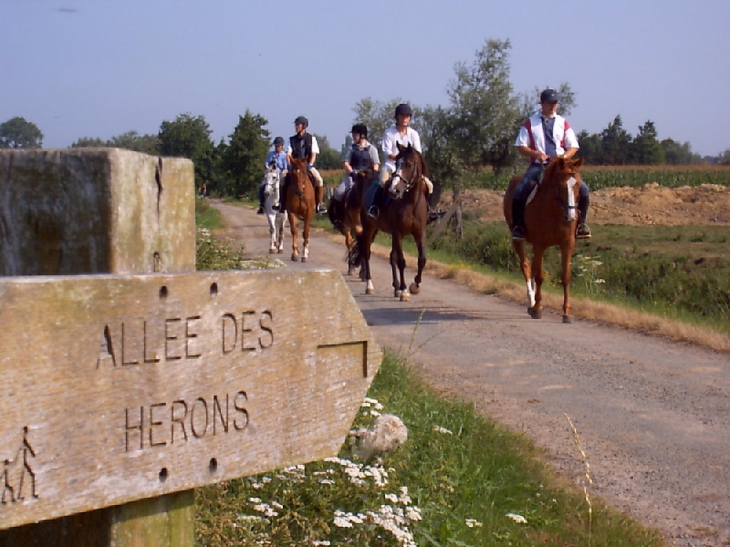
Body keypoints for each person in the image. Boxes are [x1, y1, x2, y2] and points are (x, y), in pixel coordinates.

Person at [512, 88, 591, 240]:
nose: (552, 106)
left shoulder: (563, 123)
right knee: (519, 190)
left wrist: (563, 156)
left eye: (555, 103)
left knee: (584, 190)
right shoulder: (530, 123)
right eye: (549, 103)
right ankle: (518, 226)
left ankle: (581, 224)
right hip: (538, 165)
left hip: (561, 167)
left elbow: (574, 146)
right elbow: (521, 146)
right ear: (541, 104)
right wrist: (536, 154)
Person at [366, 103, 436, 220]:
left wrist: (408, 161)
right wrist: (400, 158)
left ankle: (429, 211)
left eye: (407, 116)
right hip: (391, 165)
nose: (405, 118)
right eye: (402, 116)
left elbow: (417, 153)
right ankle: (375, 208)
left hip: (408, 168)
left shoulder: (414, 134)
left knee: (429, 185)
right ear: (397, 117)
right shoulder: (389, 132)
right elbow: (386, 151)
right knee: (382, 181)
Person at [331, 124, 380, 229]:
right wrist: (352, 172)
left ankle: (375, 215)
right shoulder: (350, 148)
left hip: (367, 177)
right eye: (353, 134)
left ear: (362, 135)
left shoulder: (372, 149)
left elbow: (376, 164)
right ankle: (339, 218)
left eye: (355, 134)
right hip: (352, 175)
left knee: (376, 193)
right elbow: (346, 163)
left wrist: (372, 174)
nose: (353, 136)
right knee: (339, 192)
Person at [281, 116, 326, 214]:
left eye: (297, 125)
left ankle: (319, 204)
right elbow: (288, 154)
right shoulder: (291, 139)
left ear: (304, 126)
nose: (295, 127)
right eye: (295, 125)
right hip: (295, 166)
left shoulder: (311, 139)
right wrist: (289, 165)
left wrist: (310, 164)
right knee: (283, 178)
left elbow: (313, 154)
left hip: (307, 166)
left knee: (319, 180)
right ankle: (282, 203)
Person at [257, 137, 288, 214]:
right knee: (262, 186)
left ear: (282, 146)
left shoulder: (285, 156)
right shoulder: (271, 154)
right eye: (276, 146)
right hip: (271, 175)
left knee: (286, 187)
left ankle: (285, 204)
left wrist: (283, 172)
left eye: (278, 146)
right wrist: (267, 167)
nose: (277, 147)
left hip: (280, 175)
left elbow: (286, 168)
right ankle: (262, 205)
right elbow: (266, 163)